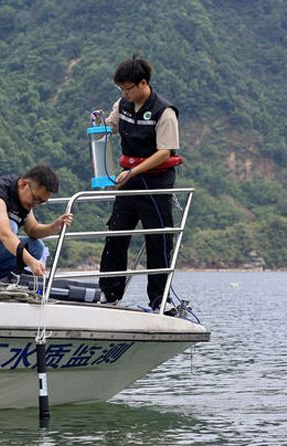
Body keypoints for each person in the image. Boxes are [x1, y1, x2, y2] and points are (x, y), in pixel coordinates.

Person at [97, 55, 181, 310]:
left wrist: (133, 172)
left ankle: (160, 299)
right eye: (121, 89)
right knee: (117, 234)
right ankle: (110, 293)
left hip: (155, 182)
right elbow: (110, 125)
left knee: (157, 239)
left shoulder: (164, 112)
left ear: (143, 83)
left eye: (128, 88)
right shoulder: (123, 104)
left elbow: (164, 152)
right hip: (128, 180)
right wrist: (99, 125)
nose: (124, 93)